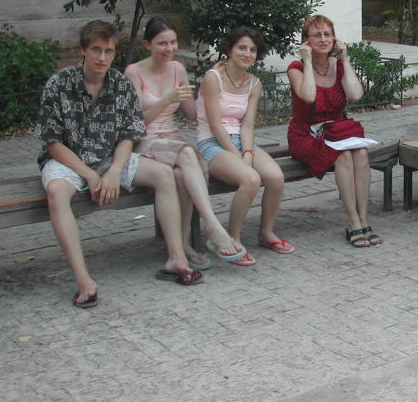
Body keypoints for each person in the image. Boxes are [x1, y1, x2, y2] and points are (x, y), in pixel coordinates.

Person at [37, 20, 201, 309]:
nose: (102, 58)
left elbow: (129, 134)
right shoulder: (59, 84)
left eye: (109, 51)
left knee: (164, 174)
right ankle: (84, 280)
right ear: (83, 50)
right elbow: (53, 142)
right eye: (96, 50)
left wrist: (114, 170)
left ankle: (176, 259)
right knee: (56, 192)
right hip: (69, 159)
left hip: (110, 156)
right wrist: (90, 175)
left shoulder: (120, 84)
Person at [124, 17, 242, 269]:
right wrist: (167, 99)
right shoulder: (134, 72)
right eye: (162, 43)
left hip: (172, 139)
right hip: (145, 140)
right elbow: (134, 123)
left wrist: (212, 82)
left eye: (173, 42)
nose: (169, 48)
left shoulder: (178, 69)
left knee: (182, 175)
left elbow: (191, 112)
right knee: (188, 155)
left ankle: (183, 245)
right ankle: (213, 226)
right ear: (148, 44)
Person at [196, 26, 293, 266]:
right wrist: (237, 155)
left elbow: (248, 124)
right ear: (230, 49)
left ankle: (266, 232)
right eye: (241, 48)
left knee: (275, 177)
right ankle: (233, 238)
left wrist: (247, 152)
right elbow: (215, 125)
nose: (247, 54)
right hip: (212, 142)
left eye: (252, 50)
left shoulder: (254, 83)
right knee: (250, 179)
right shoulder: (213, 78)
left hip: (241, 140)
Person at [286, 14, 379, 248]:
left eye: (328, 34)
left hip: (337, 132)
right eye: (317, 35)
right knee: (343, 155)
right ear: (306, 41)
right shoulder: (296, 68)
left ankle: (363, 218)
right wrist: (308, 61)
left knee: (361, 153)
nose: (324, 39)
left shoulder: (337, 65)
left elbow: (355, 94)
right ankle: (352, 220)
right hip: (306, 135)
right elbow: (309, 96)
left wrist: (345, 60)